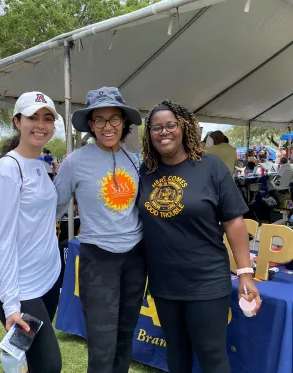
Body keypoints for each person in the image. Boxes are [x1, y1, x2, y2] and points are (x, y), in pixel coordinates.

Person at [138, 100, 261, 373]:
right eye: (156, 128)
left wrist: (245, 273)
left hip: (205, 280)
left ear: (184, 128)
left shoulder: (210, 166)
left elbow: (234, 222)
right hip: (164, 282)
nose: (164, 132)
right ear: (149, 135)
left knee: (211, 355)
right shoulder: (145, 172)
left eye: (171, 125)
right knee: (176, 352)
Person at [54, 87, 146, 373]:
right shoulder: (75, 162)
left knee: (125, 333)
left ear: (124, 122)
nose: (108, 126)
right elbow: (55, 208)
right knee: (102, 338)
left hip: (136, 256)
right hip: (98, 258)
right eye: (100, 120)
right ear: (91, 125)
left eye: (114, 118)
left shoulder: (137, 160)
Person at [0, 92, 62, 373]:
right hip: (21, 285)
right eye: (32, 117)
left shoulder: (41, 166)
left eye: (47, 118)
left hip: (48, 280)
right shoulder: (7, 170)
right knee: (50, 365)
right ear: (17, 122)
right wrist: (11, 304)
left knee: (33, 362)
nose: (41, 124)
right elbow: (3, 242)